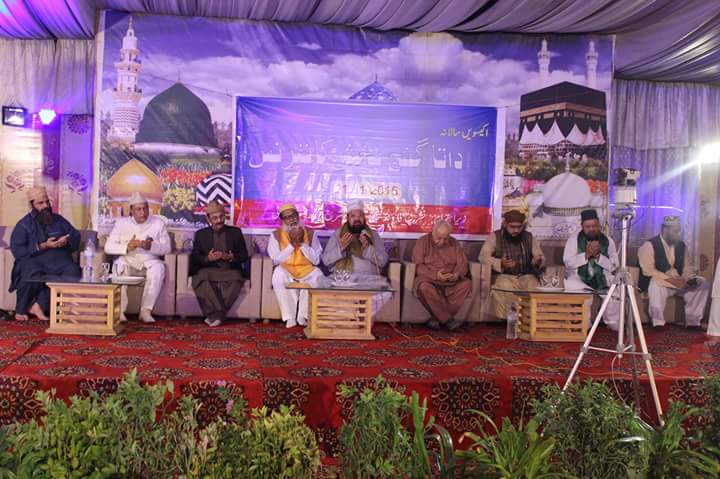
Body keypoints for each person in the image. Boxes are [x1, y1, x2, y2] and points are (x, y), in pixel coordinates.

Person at [9, 186, 81, 321]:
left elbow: (75, 236)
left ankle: (39, 305)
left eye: (47, 202)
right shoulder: (24, 224)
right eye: (40, 203)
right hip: (35, 260)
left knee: (73, 271)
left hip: (60, 261)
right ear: (32, 205)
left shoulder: (59, 220)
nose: (46, 206)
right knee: (31, 272)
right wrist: (43, 246)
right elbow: (17, 249)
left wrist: (66, 241)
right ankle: (21, 309)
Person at [104, 192, 172, 323]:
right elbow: (108, 247)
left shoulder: (158, 223)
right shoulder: (121, 224)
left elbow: (167, 247)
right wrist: (127, 247)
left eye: (145, 208)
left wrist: (151, 246)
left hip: (149, 261)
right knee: (119, 265)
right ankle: (119, 311)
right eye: (139, 209)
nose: (143, 213)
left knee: (158, 268)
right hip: (128, 260)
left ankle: (145, 311)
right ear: (131, 211)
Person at [638, 215, 709, 328]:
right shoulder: (649, 245)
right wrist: (671, 280)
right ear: (664, 229)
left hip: (679, 283)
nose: (678, 234)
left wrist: (689, 278)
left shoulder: (681, 245)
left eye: (679, 231)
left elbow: (686, 267)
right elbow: (648, 270)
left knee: (702, 283)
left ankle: (693, 322)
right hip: (661, 283)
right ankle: (658, 322)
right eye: (675, 231)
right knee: (655, 283)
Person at [190, 200, 249, 327]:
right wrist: (208, 258)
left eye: (221, 217)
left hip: (229, 270)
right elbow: (195, 257)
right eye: (215, 218)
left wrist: (231, 257)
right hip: (208, 270)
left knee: (237, 278)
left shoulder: (235, 232)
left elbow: (244, 255)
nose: (219, 220)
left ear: (225, 216)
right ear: (208, 219)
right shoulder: (200, 235)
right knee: (200, 277)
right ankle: (218, 315)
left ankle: (214, 315)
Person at [479, 209, 545, 322]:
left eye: (519, 227)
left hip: (526, 276)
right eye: (512, 227)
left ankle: (530, 322)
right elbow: (482, 257)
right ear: (505, 224)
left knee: (535, 288)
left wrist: (538, 261)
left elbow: (540, 256)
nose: (516, 230)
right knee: (506, 288)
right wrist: (500, 262)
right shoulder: (495, 236)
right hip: (504, 276)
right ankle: (511, 322)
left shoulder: (529, 237)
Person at [563, 209, 620, 330]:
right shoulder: (573, 240)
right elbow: (568, 263)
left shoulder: (607, 241)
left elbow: (614, 265)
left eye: (594, 226)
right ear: (582, 226)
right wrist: (587, 254)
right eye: (588, 227)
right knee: (583, 321)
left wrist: (599, 256)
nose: (591, 229)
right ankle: (585, 326)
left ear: (598, 224)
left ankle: (613, 327)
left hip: (603, 278)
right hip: (580, 280)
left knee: (614, 298)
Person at [267, 203, 323, 328]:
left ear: (298, 216)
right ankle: (289, 317)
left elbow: (316, 260)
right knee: (278, 274)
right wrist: (292, 245)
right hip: (287, 269)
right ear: (282, 220)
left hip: (306, 269)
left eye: (293, 216)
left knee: (318, 275)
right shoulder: (275, 235)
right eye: (287, 217)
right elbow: (275, 260)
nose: (291, 220)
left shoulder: (310, 233)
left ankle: (303, 316)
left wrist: (302, 243)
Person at [411, 220, 471, 331]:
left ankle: (437, 318)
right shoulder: (422, 242)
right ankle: (448, 320)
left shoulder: (454, 243)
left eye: (445, 238)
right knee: (424, 287)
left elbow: (462, 264)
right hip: (429, 279)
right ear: (433, 232)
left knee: (466, 284)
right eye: (439, 238)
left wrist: (457, 274)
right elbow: (418, 266)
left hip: (451, 281)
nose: (442, 242)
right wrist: (435, 275)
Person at [322, 200, 389, 283]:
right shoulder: (338, 234)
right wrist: (340, 248)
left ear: (364, 218)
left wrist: (368, 248)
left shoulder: (372, 234)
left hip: (369, 280)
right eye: (353, 216)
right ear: (348, 218)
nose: (357, 219)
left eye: (360, 216)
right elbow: (326, 261)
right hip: (343, 281)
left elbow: (383, 261)